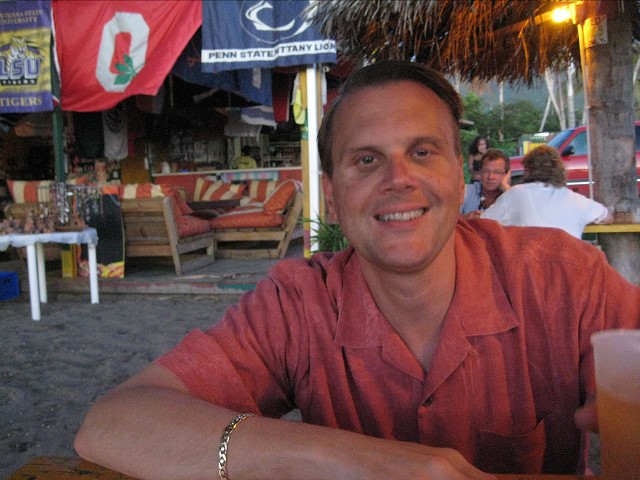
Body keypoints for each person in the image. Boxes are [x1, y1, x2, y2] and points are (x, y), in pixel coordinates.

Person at [74, 60, 640, 480]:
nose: (398, 179)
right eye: (367, 160)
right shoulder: (298, 304)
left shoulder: (563, 279)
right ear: (333, 196)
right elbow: (115, 421)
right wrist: (339, 457)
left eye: (422, 152)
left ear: (458, 176)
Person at [481, 145, 614, 238]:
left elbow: (483, 222)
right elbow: (608, 217)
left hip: (530, 268)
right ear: (560, 170)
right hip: (568, 267)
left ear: (528, 169)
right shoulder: (577, 200)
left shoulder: (516, 194)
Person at [460, 148, 511, 217]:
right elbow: (447, 218)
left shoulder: (510, 195)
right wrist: (467, 217)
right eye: (486, 171)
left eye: (497, 172)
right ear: (480, 172)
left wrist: (507, 190)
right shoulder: (466, 192)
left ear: (506, 175)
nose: (491, 177)